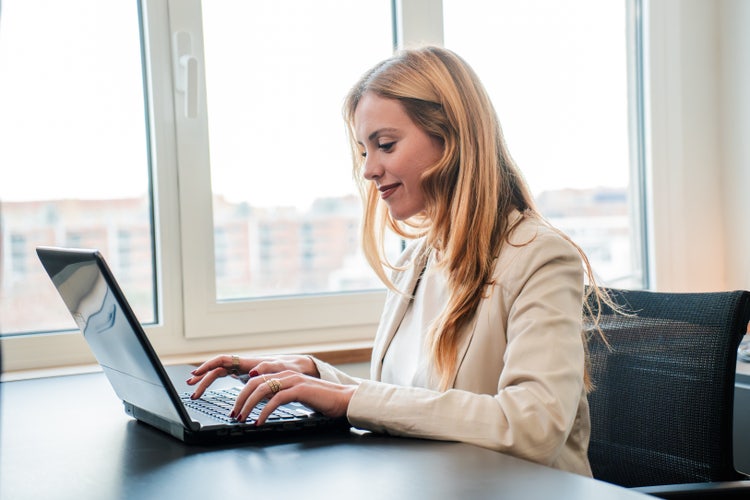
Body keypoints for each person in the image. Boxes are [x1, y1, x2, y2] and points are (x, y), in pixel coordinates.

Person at [187, 46, 611, 477]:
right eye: (364, 151)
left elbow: (532, 427)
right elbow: (406, 401)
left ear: (451, 138)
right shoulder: (421, 259)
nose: (370, 169)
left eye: (385, 144)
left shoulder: (540, 257)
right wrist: (317, 378)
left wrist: (348, 399)